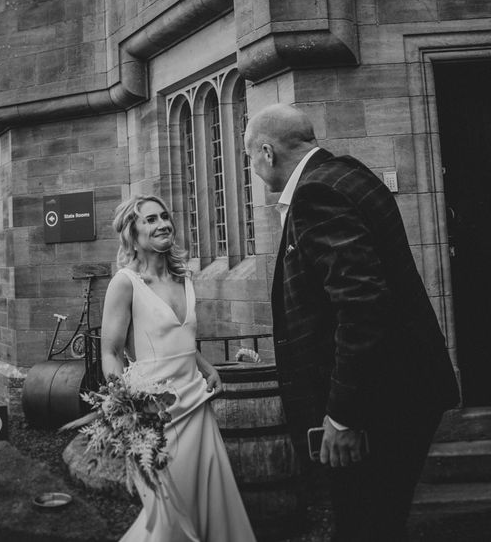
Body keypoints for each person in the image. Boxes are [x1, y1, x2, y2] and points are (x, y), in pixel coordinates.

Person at [243, 103, 459, 541]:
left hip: (379, 405)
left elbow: (361, 305)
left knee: (366, 524)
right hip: (400, 393)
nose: (255, 170)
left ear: (266, 152)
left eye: (250, 159)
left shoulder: (316, 194)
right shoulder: (348, 174)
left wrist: (342, 416)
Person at [100, 194, 256, 542]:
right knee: (170, 515)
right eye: (150, 219)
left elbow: (178, 337)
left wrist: (204, 365)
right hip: (157, 415)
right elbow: (110, 352)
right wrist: (127, 409)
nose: (162, 224)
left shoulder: (184, 278)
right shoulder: (126, 283)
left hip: (197, 406)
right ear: (132, 233)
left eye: (165, 216)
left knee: (210, 504)